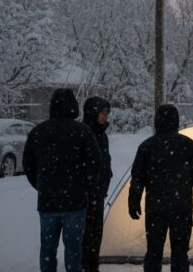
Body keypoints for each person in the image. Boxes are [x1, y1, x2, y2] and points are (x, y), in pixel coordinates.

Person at [23, 88, 100, 272]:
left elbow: (28, 165)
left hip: (48, 201)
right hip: (75, 201)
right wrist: (85, 188)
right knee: (73, 250)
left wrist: (42, 186)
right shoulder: (83, 131)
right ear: (73, 106)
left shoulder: (38, 132)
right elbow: (95, 165)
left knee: (48, 249)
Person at [128, 104, 193, 272]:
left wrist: (134, 201)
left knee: (154, 251)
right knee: (180, 253)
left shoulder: (147, 146)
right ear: (176, 121)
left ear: (157, 120)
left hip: (155, 208)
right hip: (182, 206)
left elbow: (138, 178)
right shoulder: (188, 145)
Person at [82, 96, 113, 272]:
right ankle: (85, 265)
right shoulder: (83, 133)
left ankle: (92, 266)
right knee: (86, 234)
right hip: (85, 194)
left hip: (99, 193)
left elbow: (105, 161)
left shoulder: (103, 135)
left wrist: (105, 178)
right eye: (102, 112)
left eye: (107, 112)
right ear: (93, 112)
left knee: (96, 233)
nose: (105, 116)